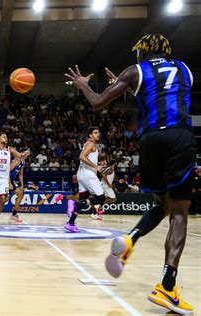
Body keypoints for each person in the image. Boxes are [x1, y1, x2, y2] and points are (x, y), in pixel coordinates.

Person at [65, 34, 197, 314]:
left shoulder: (134, 71)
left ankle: (130, 240)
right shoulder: (185, 69)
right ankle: (167, 286)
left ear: (142, 52)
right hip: (179, 137)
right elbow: (167, 94)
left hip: (150, 141)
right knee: (179, 213)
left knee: (163, 205)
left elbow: (98, 102)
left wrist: (84, 86)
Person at [64, 127, 107, 232]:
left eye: (99, 133)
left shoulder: (87, 144)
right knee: (101, 198)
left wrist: (99, 164)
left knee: (83, 199)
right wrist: (95, 167)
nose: (98, 134)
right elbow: (82, 156)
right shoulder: (91, 144)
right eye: (95, 133)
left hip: (82, 174)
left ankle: (70, 223)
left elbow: (87, 158)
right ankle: (75, 203)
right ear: (90, 135)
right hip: (88, 175)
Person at [8, 157, 26, 224]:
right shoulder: (17, 160)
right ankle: (14, 215)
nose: (27, 154)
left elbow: (21, 174)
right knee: (20, 195)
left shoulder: (23, 162)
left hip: (13, 180)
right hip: (8, 179)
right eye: (26, 152)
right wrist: (9, 183)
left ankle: (14, 215)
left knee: (5, 199)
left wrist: (22, 184)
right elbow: (7, 171)